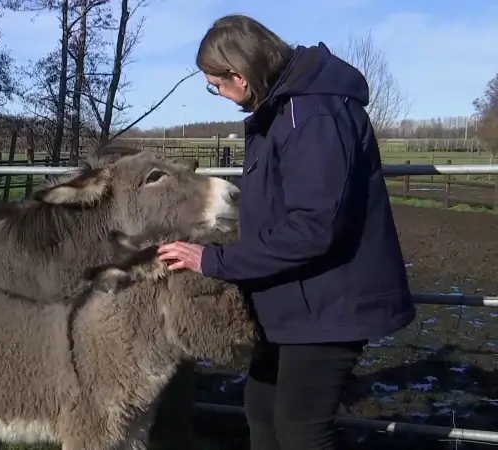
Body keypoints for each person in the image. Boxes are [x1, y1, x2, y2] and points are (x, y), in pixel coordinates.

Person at [156, 14, 416, 450]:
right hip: (293, 302)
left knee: (302, 431)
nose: (218, 94)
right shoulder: (281, 110)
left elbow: (313, 227)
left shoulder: (312, 115)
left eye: (216, 85)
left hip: (327, 306)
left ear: (238, 74)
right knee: (262, 411)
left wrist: (214, 261)